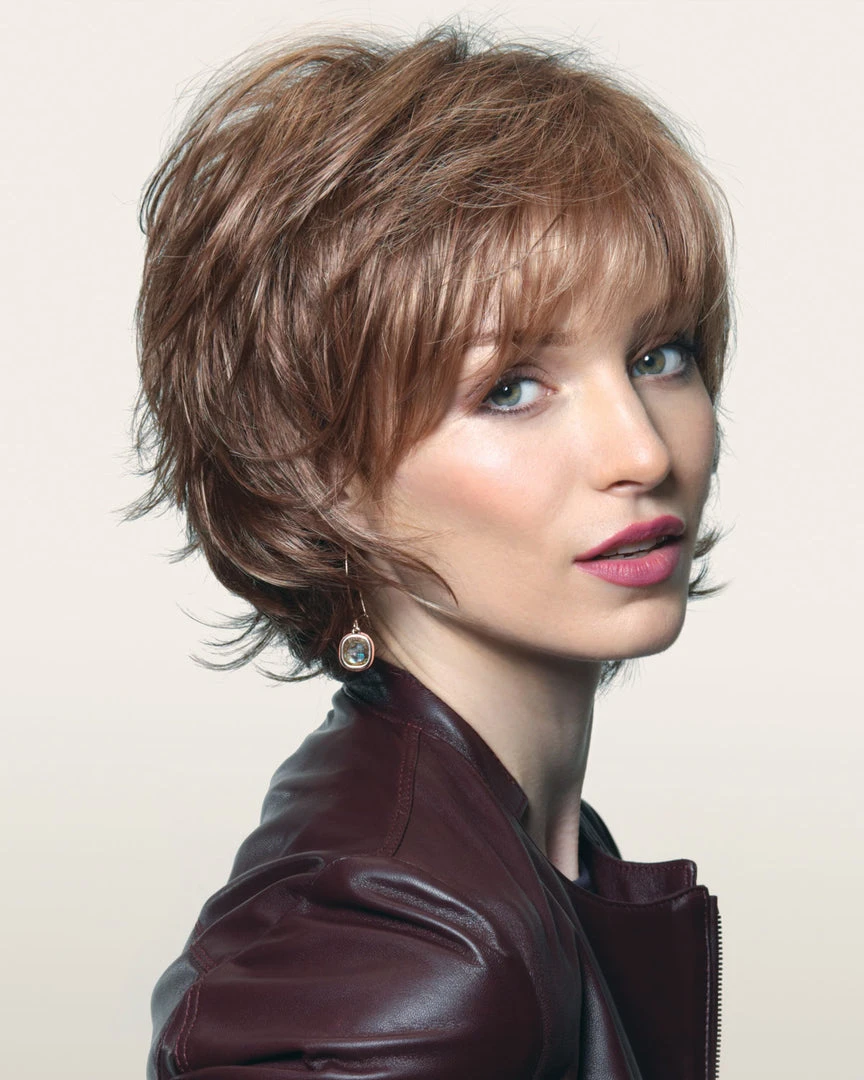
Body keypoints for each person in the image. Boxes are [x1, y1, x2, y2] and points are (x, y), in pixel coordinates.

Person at [134, 24, 731, 1080]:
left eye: (658, 355)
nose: (643, 452)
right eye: (510, 388)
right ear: (317, 470)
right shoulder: (403, 958)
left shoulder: (504, 850)